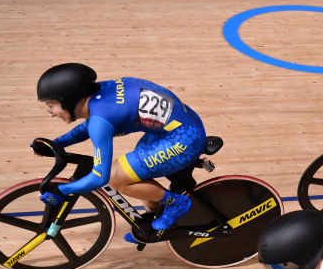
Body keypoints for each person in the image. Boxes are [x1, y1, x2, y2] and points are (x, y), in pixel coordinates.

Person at [35, 63, 207, 242]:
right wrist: (57, 144)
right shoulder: (102, 95)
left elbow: (100, 177)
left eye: (51, 105)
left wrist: (63, 190)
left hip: (184, 139)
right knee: (133, 173)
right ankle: (153, 222)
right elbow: (88, 126)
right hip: (178, 129)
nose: (51, 112)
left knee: (115, 176)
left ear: (70, 99)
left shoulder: (100, 121)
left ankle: (176, 203)